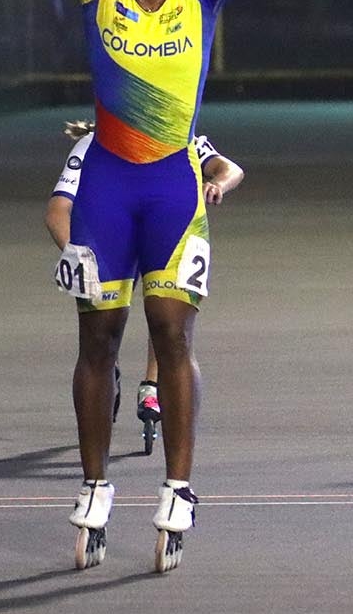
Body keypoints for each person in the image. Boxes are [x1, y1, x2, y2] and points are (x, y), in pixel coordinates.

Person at [0, 0, 291, 570]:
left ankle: (179, 484)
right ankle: (94, 484)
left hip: (171, 187)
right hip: (105, 187)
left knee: (173, 334)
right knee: (98, 339)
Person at [45, 121, 245, 437]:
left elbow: (230, 168)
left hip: (161, 235)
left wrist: (218, 183)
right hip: (111, 239)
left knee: (166, 311)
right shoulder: (95, 144)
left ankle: (152, 383)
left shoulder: (179, 136)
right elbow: (58, 209)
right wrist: (79, 255)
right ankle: (106, 367)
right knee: (102, 332)